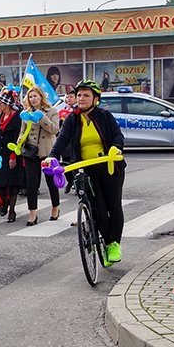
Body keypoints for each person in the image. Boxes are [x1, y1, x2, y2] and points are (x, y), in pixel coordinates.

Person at [48, 80, 126, 267]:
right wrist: (52, 156)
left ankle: (115, 244)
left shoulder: (105, 115)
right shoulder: (72, 119)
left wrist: (116, 148)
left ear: (95, 99)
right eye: (79, 95)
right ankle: (107, 242)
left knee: (113, 207)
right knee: (97, 209)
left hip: (109, 167)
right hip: (86, 170)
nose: (81, 99)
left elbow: (118, 135)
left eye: (86, 95)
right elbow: (61, 139)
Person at [19, 87, 60, 226]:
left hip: (47, 151)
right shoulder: (26, 114)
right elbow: (22, 131)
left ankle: (55, 208)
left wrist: (42, 118)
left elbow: (55, 129)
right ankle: (32, 214)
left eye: (35, 96)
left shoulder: (52, 111)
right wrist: (21, 139)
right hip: (31, 152)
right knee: (31, 183)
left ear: (41, 97)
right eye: (30, 97)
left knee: (51, 182)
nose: (33, 99)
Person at [0, 90, 24, 223]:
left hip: (11, 152)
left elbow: (18, 138)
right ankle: (5, 202)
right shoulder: (0, 116)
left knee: (12, 182)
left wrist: (13, 156)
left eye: (0, 103)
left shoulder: (18, 117)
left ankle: (12, 210)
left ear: (7, 104)